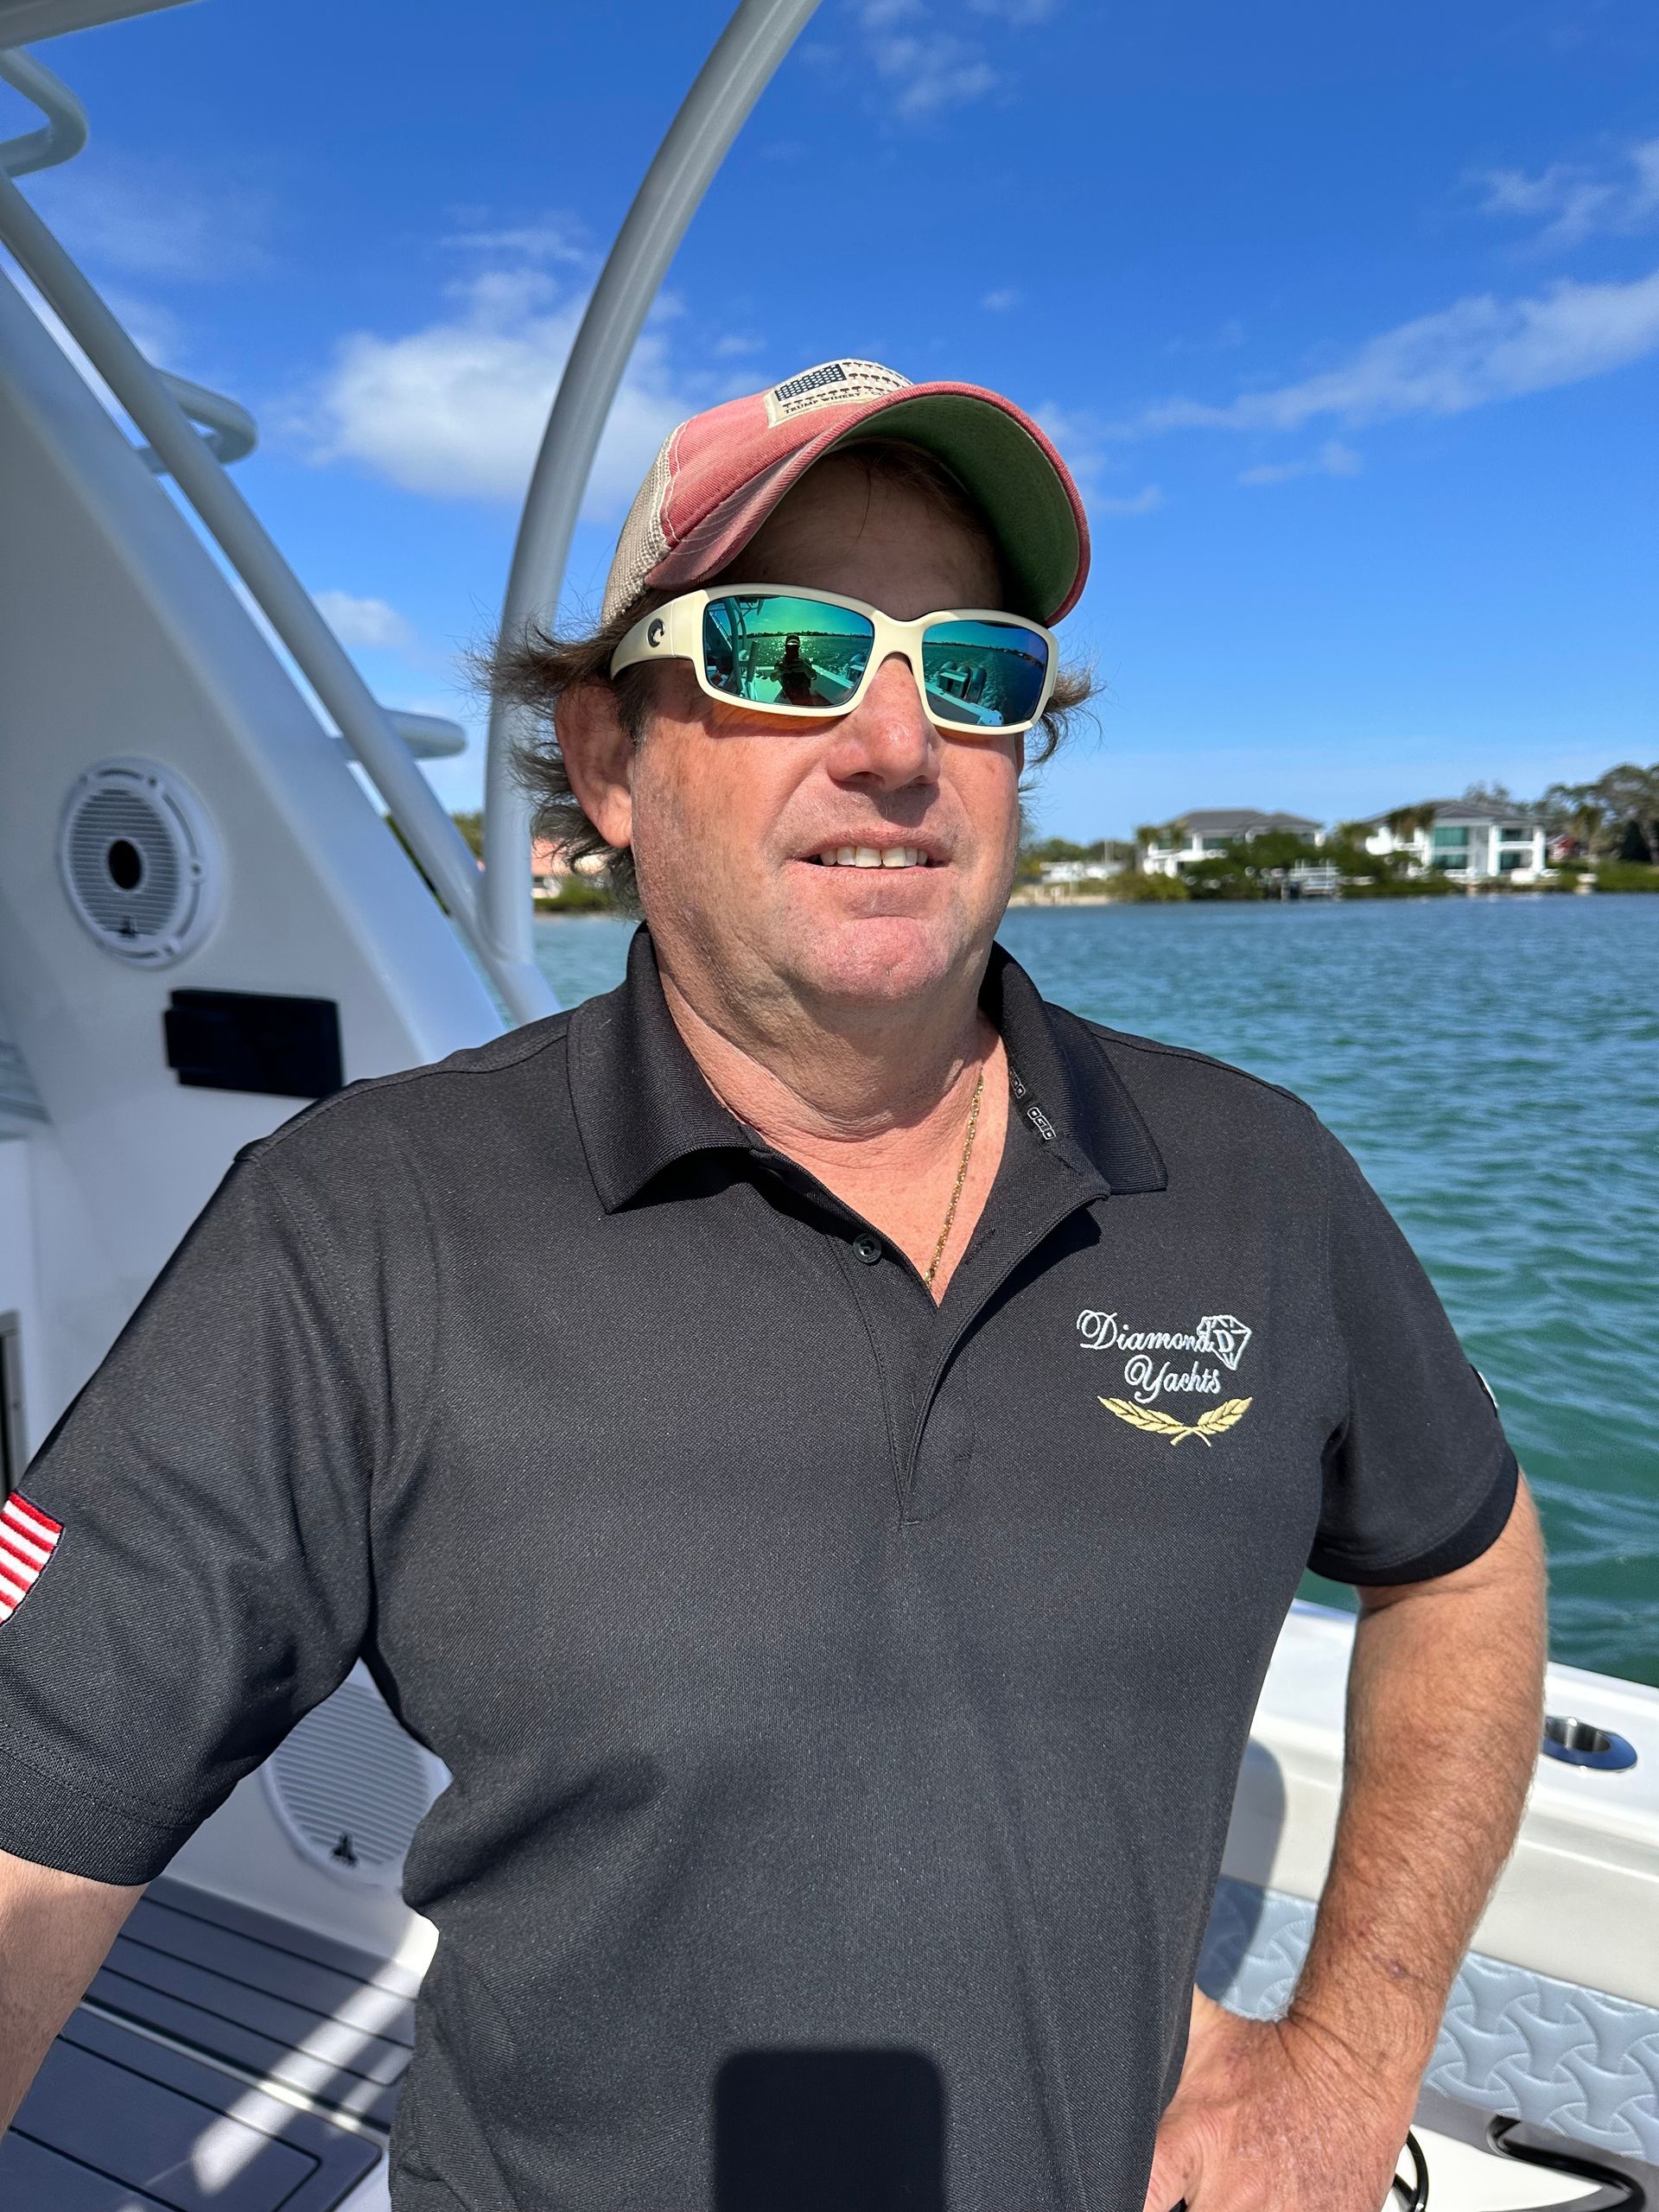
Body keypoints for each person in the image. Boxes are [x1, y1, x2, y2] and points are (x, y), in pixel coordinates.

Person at [0, 357, 1546, 2212]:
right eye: (788, 652)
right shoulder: (361, 1228)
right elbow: (28, 1822)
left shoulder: (1253, 1178)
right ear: (607, 758)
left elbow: (1464, 1553)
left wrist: (1348, 2061)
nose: (896, 746)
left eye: (974, 671)